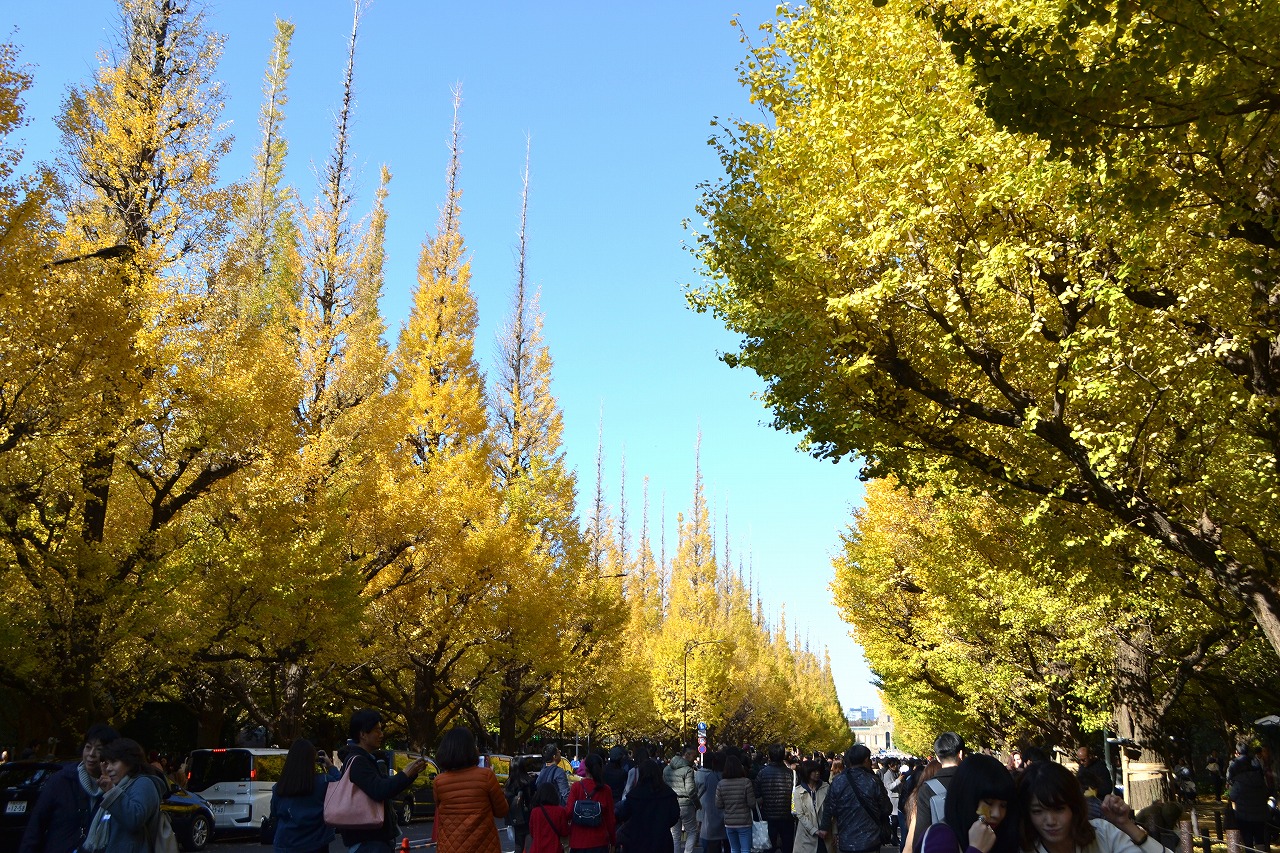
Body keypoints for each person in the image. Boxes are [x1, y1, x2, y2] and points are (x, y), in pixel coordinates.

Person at [1017, 760, 1168, 853]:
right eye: (1037, 811)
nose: (1050, 821)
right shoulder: (1022, 849)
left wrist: (1126, 825)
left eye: (1059, 809)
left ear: (1074, 807)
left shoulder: (1102, 834)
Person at [337, 709, 428, 853]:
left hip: (370, 839)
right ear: (362, 734)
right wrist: (406, 774)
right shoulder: (358, 762)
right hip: (368, 841)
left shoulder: (365, 759)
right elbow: (380, 790)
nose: (381, 734)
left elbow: (384, 785)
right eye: (377, 730)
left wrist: (410, 773)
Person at [19, 724, 118, 853]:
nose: (91, 754)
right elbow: (36, 825)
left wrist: (111, 792)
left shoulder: (116, 788)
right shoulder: (61, 780)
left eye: (99, 749)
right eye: (88, 747)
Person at [432, 726, 509, 853]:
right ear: (471, 749)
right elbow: (502, 811)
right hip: (483, 847)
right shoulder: (486, 776)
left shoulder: (439, 782)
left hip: (450, 848)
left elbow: (440, 810)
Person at [919, 754, 1017, 853]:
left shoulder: (1004, 835)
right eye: (988, 803)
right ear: (966, 798)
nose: (997, 814)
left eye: (1003, 805)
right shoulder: (941, 837)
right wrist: (977, 849)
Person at [81, 738, 164, 853]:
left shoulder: (144, 783)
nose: (109, 768)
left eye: (114, 762)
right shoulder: (120, 786)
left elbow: (134, 819)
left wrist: (111, 792)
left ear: (130, 762)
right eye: (107, 763)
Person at [270, 739, 341, 853]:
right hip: (315, 843)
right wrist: (330, 766)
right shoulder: (323, 782)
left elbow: (274, 813)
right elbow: (342, 786)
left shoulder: (279, 787)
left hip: (285, 844)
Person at [820, 744, 891, 853]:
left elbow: (829, 808)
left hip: (846, 840)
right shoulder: (873, 781)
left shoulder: (838, 781)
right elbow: (886, 808)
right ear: (866, 760)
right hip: (870, 840)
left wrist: (824, 828)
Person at [910, 734, 966, 853]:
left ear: (938, 758)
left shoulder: (927, 789)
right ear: (961, 754)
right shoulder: (974, 782)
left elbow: (921, 835)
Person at [616, 760, 681, 853]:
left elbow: (625, 814)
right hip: (662, 840)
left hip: (637, 840)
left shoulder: (634, 794)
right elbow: (674, 816)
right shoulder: (668, 793)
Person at [566, 752, 615, 853]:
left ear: (585, 768)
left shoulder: (576, 787)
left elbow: (569, 812)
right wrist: (613, 841)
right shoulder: (606, 790)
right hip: (599, 842)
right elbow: (610, 819)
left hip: (578, 841)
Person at [1226, 744, 1271, 852]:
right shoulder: (1258, 774)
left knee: (1247, 840)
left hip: (1243, 814)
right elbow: (1266, 792)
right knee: (1260, 838)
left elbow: (1232, 796)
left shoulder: (1238, 778)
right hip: (1260, 813)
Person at [757, 744, 797, 853]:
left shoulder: (762, 773)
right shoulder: (791, 773)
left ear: (769, 756)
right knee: (788, 846)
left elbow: (757, 793)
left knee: (769, 846)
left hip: (768, 815)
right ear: (783, 755)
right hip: (787, 815)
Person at [716, 754, 757, 853]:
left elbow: (718, 805)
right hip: (744, 821)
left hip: (729, 822)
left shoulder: (721, 784)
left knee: (734, 849)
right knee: (745, 849)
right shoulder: (746, 782)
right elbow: (752, 803)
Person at [664, 746, 701, 853]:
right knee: (692, 832)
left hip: (671, 804)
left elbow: (664, 787)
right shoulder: (688, 770)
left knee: (675, 835)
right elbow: (690, 790)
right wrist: (697, 804)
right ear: (687, 754)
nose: (694, 759)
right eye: (694, 756)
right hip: (686, 805)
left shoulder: (666, 769)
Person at [792, 759, 832, 853]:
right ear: (807, 773)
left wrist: (834, 832)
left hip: (825, 832)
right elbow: (800, 814)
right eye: (813, 771)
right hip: (807, 834)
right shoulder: (798, 791)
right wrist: (814, 830)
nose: (817, 773)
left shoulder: (826, 787)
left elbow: (831, 810)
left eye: (818, 771)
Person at [506, 759, 538, 853]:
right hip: (528, 817)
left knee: (518, 845)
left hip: (515, 818)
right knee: (529, 846)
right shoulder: (529, 782)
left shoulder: (509, 784)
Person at [699, 751, 727, 853]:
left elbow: (703, 794)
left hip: (712, 816)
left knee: (713, 847)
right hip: (727, 816)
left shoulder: (710, 777)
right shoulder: (728, 777)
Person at [529, 783, 569, 853]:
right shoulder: (560, 811)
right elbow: (564, 832)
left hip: (537, 849)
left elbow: (532, 833)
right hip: (554, 849)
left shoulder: (534, 811)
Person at [882, 758, 902, 846]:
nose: (897, 766)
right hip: (893, 799)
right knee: (894, 820)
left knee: (897, 820)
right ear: (890, 765)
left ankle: (895, 838)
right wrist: (898, 780)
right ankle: (894, 837)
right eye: (895, 765)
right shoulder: (887, 775)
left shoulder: (896, 773)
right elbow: (889, 786)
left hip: (898, 798)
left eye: (898, 764)